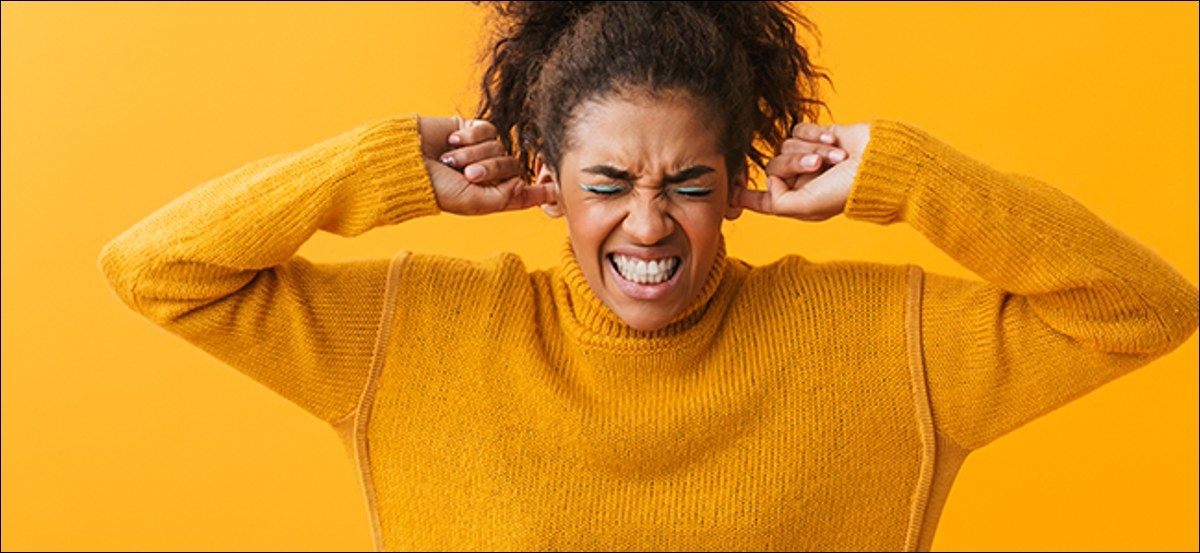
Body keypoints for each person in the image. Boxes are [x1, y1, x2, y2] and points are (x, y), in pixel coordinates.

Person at [98, 1, 1198, 551]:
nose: (648, 222)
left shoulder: (889, 344)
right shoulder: (412, 333)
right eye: (611, 179)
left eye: (688, 181)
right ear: (549, 181)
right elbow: (155, 270)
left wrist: (911, 177)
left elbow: (1143, 310)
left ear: (735, 183)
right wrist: (374, 169)